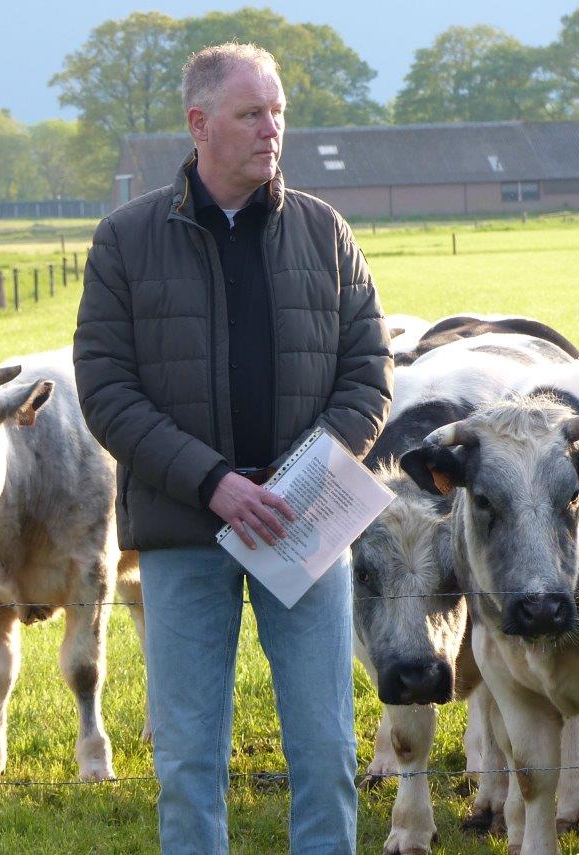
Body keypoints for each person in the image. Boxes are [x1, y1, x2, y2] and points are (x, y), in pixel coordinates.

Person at [73, 43, 392, 853]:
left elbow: (369, 370)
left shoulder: (326, 233)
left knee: (326, 752)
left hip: (305, 524)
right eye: (252, 114)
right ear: (199, 123)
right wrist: (213, 482)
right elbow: (106, 388)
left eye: (278, 111)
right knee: (187, 761)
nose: (272, 129)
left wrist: (301, 481)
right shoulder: (125, 239)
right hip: (185, 531)